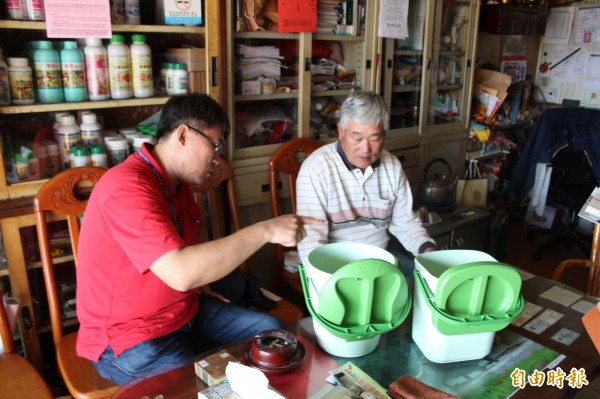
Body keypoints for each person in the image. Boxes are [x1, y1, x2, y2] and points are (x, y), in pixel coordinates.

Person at [76, 93, 319, 385]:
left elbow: (187, 251)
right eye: (215, 145)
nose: (216, 159)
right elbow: (181, 272)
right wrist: (265, 230)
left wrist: (201, 285)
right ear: (182, 135)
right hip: (131, 337)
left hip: (184, 312)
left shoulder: (177, 186)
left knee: (269, 334)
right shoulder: (127, 187)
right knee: (199, 388)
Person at [296, 91, 435, 276]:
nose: (365, 149)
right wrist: (330, 279)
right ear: (340, 131)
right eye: (357, 138)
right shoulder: (316, 169)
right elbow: (311, 240)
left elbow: (404, 223)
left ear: (384, 135)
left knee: (425, 286)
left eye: (374, 138)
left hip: (381, 258)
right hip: (334, 266)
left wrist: (429, 253)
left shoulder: (392, 166)